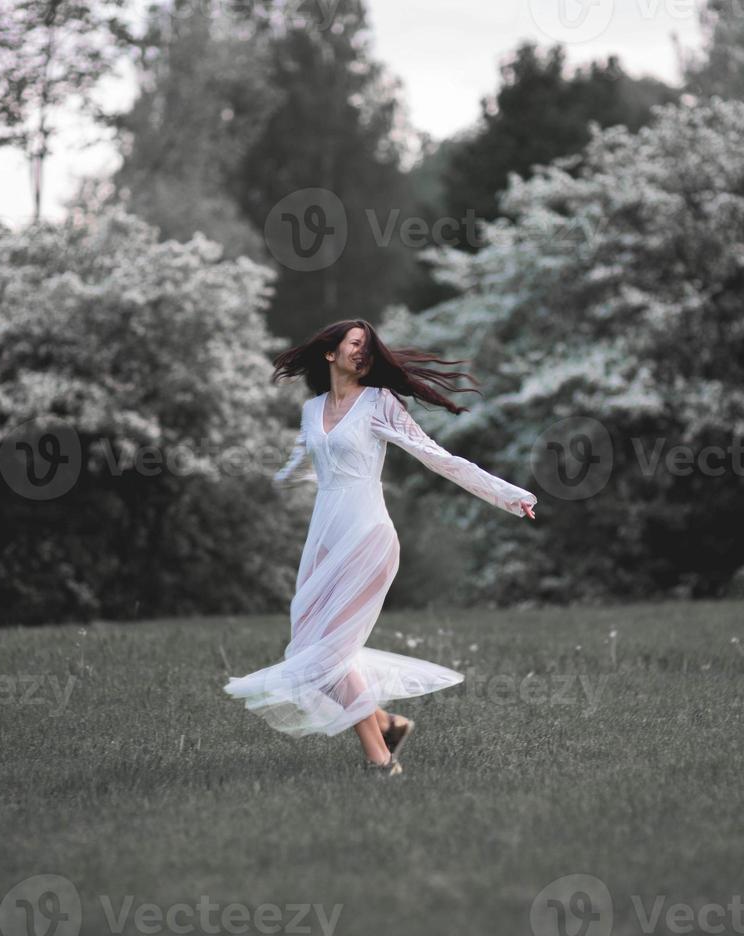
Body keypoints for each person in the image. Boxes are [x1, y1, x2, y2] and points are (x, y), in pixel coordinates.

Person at [223, 318, 537, 776]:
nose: (363, 352)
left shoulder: (378, 402)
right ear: (330, 353)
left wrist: (508, 494)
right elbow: (301, 465)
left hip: (367, 536)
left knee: (327, 654)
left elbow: (436, 457)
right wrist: (248, 487)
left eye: (368, 346)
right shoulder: (312, 411)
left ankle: (382, 762)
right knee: (308, 649)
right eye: (354, 344)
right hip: (323, 542)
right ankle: (386, 723)